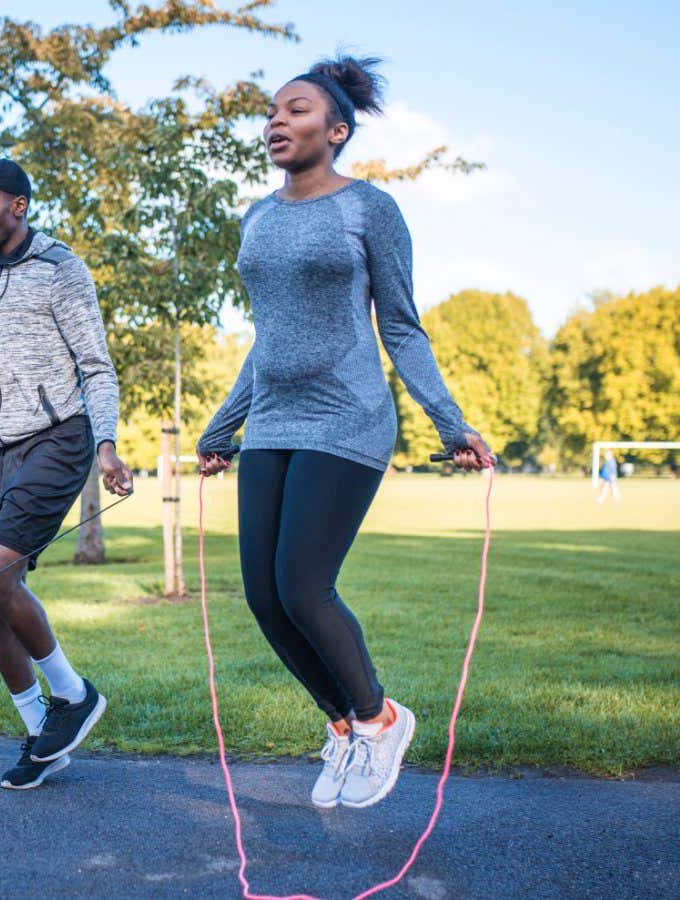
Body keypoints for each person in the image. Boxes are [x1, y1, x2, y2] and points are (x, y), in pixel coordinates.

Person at [196, 56, 495, 811]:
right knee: (265, 598)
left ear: (335, 131)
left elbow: (399, 323)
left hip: (347, 415)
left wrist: (450, 420)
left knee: (303, 585)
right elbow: (268, 338)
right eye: (271, 111)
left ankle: (381, 718)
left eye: (295, 111)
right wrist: (222, 427)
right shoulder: (258, 217)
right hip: (271, 419)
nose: (275, 121)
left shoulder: (369, 209)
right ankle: (345, 728)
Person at [0, 158, 134, 790]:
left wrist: (106, 443)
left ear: (17, 205)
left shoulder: (60, 271)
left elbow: (96, 366)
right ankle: (41, 735)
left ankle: (74, 696)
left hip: (59, 438)